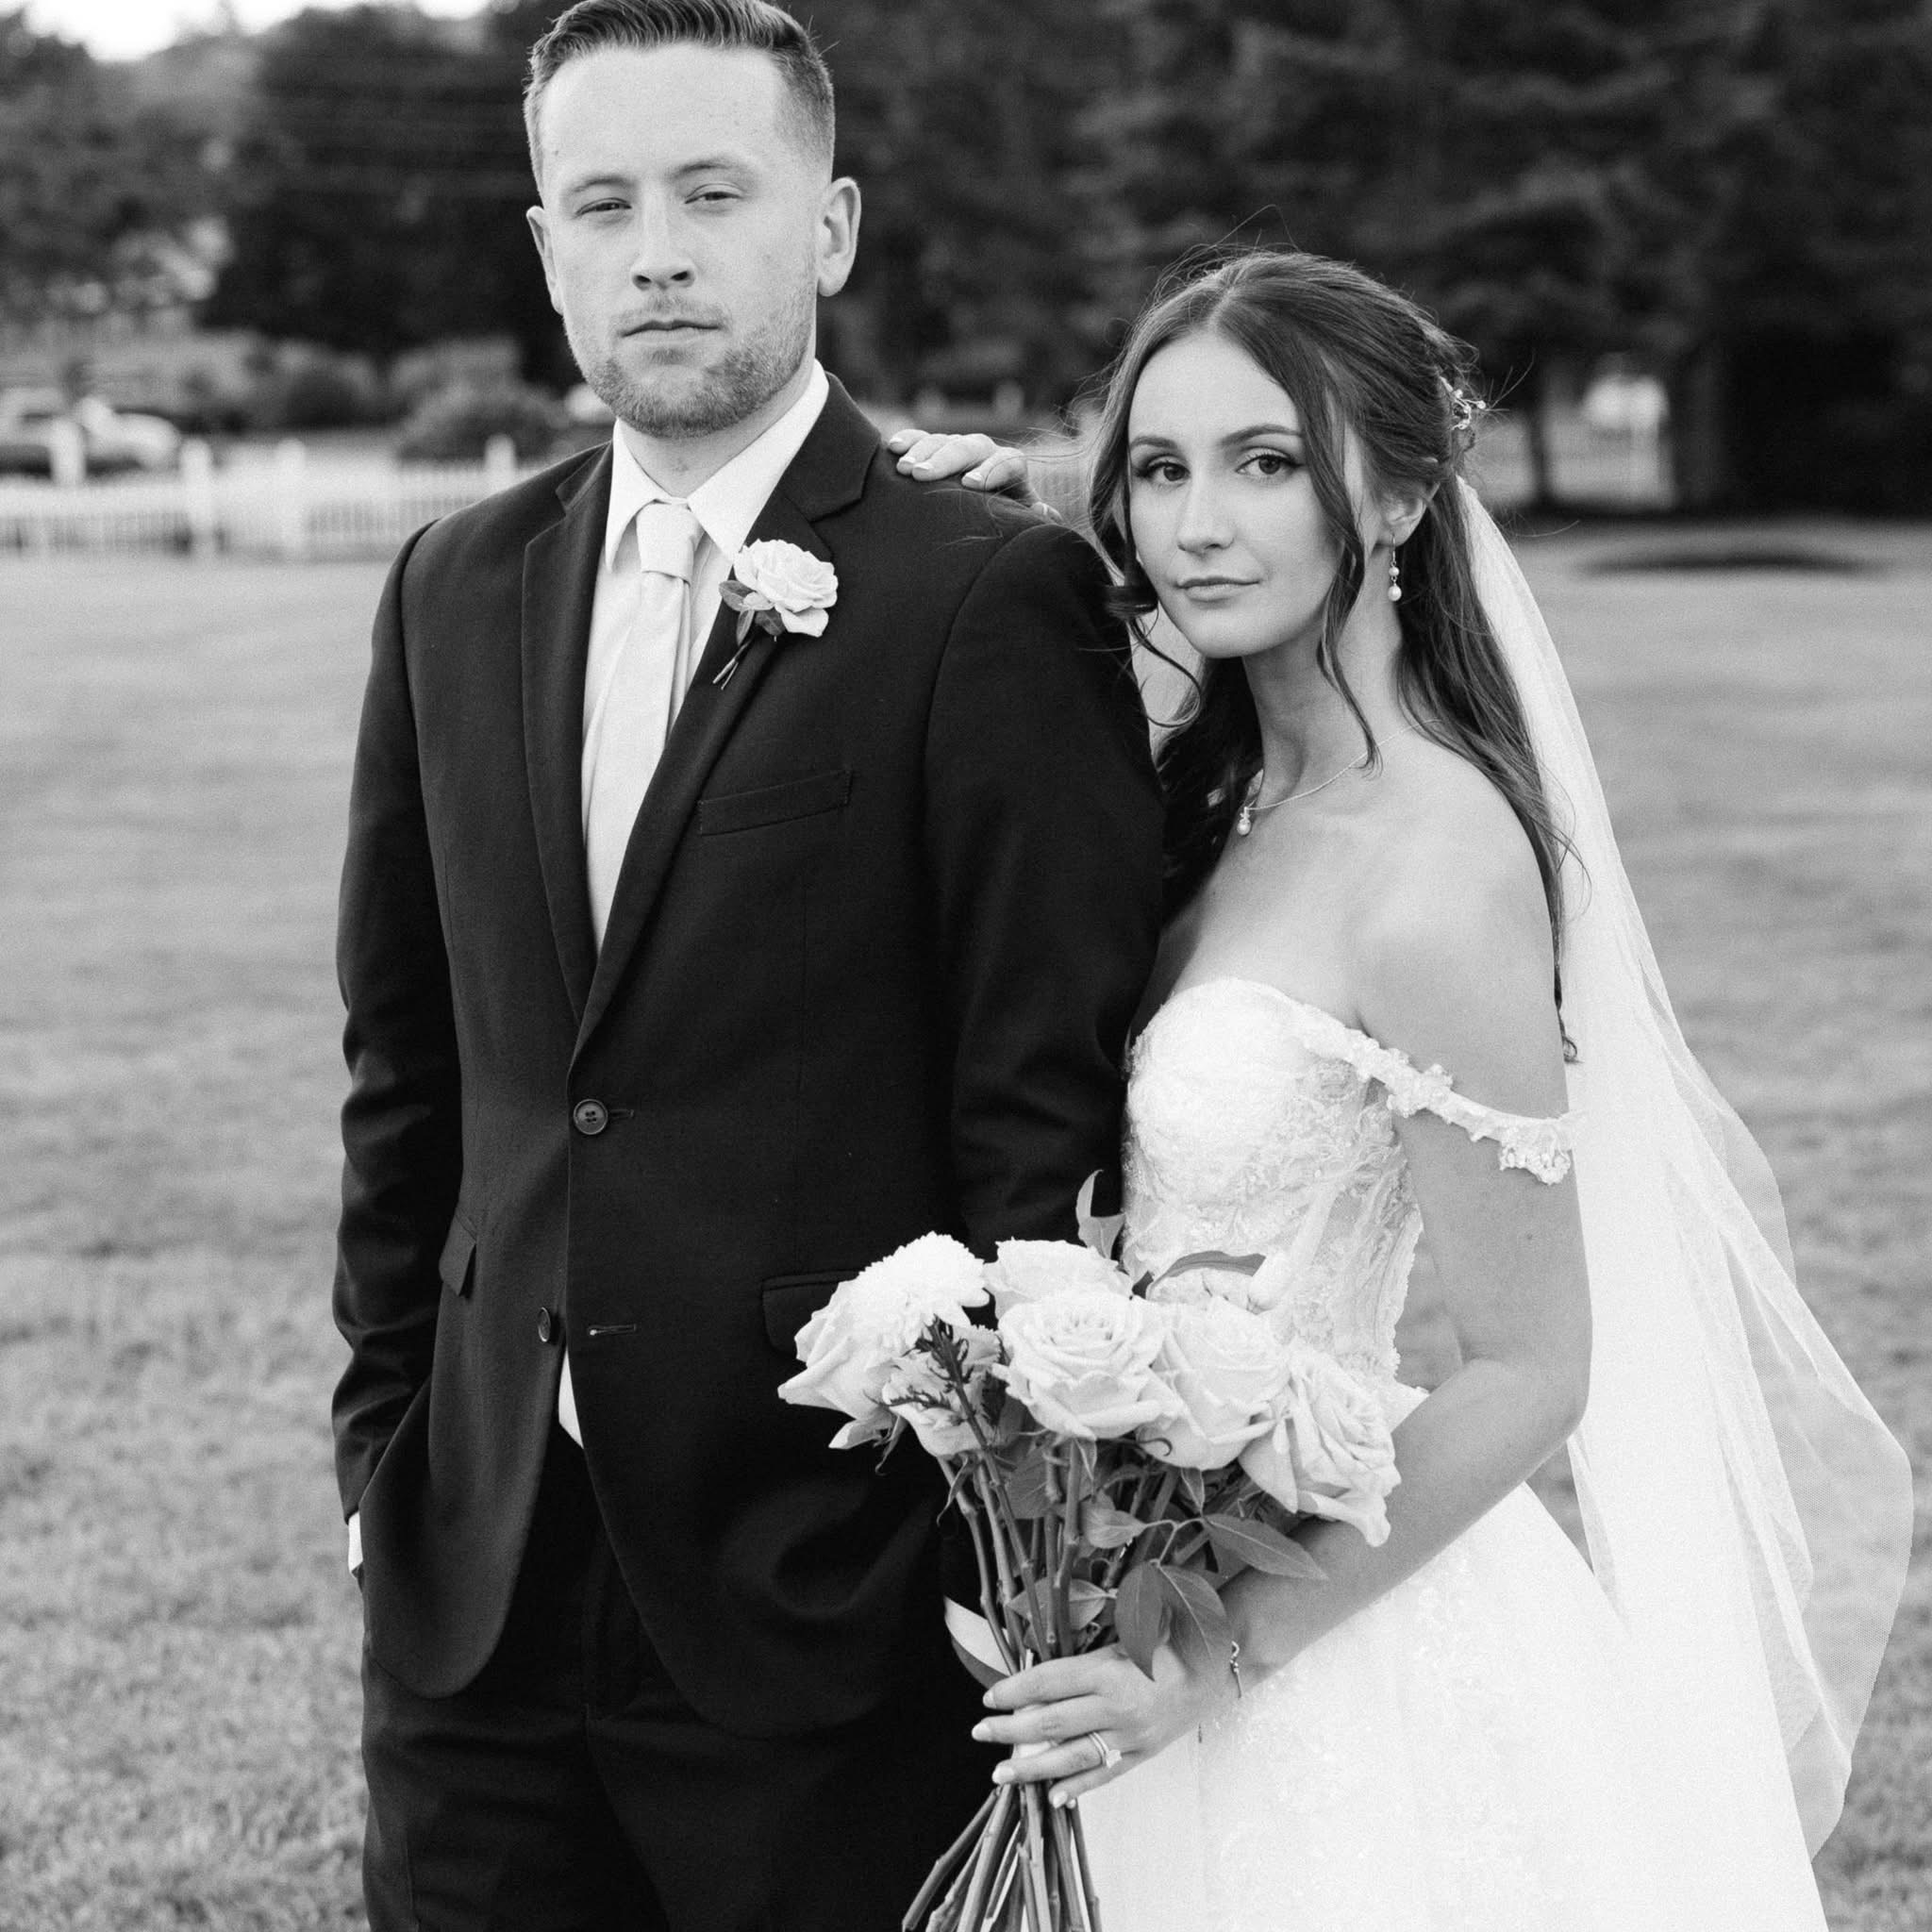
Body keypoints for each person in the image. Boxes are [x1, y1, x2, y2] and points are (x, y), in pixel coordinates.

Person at [935, 252, 1912, 1929]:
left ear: (1392, 496)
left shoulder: (1437, 871)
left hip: (1320, 1644)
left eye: (1266, 464)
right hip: (1107, 1579)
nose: (1200, 525)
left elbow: (1533, 1371)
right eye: (1160, 471)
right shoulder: (1209, 794)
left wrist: (1216, 1661)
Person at [328, 2, 1164, 1925]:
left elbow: (1032, 1111)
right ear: (543, 252)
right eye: (600, 202)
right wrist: (387, 1459)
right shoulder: (450, 585)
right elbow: (408, 1071)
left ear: (833, 225)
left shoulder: (980, 591)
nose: (659, 247)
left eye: (715, 190)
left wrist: (974, 1530)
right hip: (477, 1587)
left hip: (820, 1600)